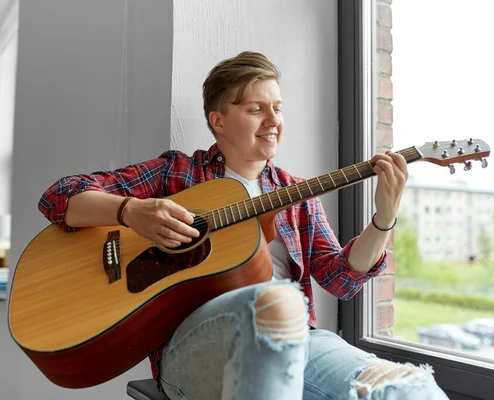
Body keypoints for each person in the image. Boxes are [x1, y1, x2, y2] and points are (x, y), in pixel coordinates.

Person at [39, 51, 448, 400]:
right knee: (279, 301)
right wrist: (130, 212)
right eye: (256, 109)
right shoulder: (176, 174)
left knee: (413, 389)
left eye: (278, 107)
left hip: (297, 343)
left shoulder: (295, 193)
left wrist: (385, 217)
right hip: (194, 348)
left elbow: (341, 281)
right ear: (219, 120)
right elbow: (59, 196)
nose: (273, 120)